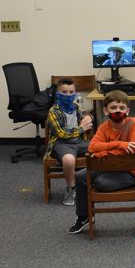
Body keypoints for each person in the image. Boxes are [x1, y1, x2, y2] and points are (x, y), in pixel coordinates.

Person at [68, 90, 135, 235]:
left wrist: (103, 153)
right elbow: (92, 147)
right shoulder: (104, 127)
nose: (118, 111)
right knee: (80, 177)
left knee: (100, 183)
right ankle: (84, 216)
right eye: (113, 108)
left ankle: (100, 181)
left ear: (127, 110)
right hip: (108, 167)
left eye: (122, 108)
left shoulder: (133, 123)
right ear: (106, 110)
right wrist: (120, 145)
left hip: (131, 172)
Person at [45, 77, 94, 206]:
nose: (68, 95)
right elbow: (61, 133)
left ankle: (94, 183)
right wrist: (81, 129)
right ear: (57, 94)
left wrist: (89, 117)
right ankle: (71, 188)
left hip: (79, 141)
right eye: (64, 92)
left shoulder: (75, 107)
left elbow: (86, 115)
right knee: (68, 160)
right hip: (61, 143)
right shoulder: (53, 112)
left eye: (71, 92)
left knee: (101, 149)